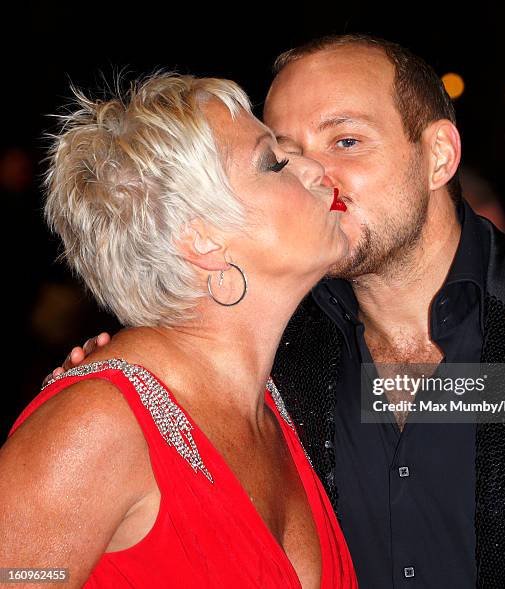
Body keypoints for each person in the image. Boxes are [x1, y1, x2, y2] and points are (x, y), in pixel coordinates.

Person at [48, 35, 505, 588]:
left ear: (438, 155)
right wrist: (108, 398)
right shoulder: (273, 362)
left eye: (345, 141)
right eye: (285, 155)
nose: (313, 175)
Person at [0, 73, 357, 588]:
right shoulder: (96, 426)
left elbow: (479, 393)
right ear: (204, 240)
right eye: (274, 162)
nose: (314, 169)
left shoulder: (281, 400)